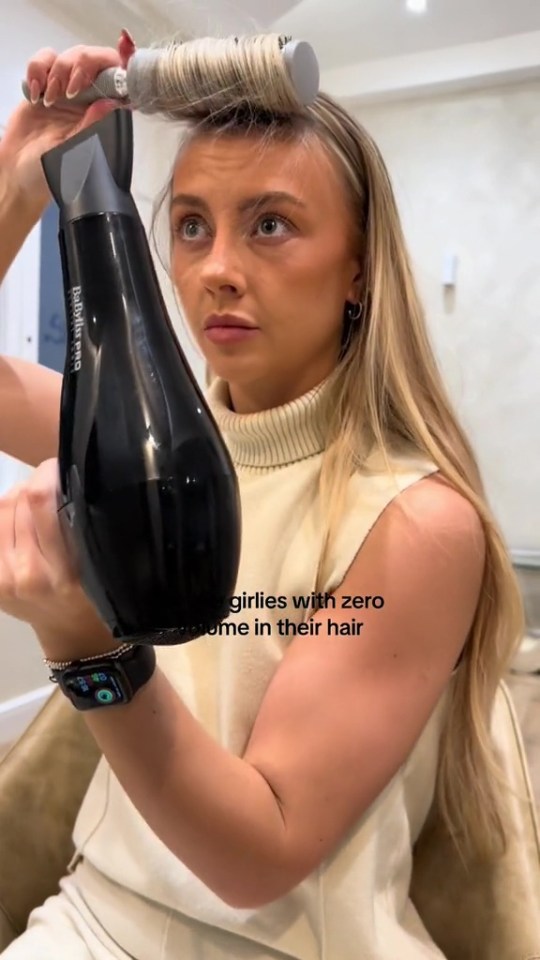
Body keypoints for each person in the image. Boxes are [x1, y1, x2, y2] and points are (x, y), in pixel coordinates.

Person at [0, 30, 523, 960]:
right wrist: (23, 180)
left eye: (270, 223)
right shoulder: (144, 445)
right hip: (91, 916)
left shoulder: (415, 524)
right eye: (193, 225)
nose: (215, 271)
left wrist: (87, 647)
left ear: (358, 267)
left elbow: (260, 856)